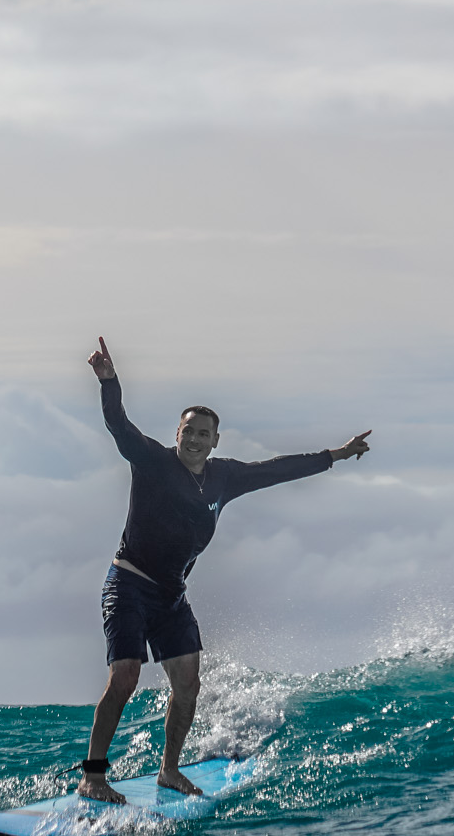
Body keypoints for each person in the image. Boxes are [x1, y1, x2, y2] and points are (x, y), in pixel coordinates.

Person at [78, 337, 370, 804]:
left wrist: (333, 455)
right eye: (188, 430)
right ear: (177, 434)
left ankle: (169, 771)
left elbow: (279, 469)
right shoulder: (153, 461)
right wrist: (109, 380)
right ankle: (93, 776)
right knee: (126, 677)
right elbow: (119, 425)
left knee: (188, 685)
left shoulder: (224, 477)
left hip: (172, 596)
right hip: (129, 584)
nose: (194, 439)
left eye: (203, 433)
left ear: (215, 441)